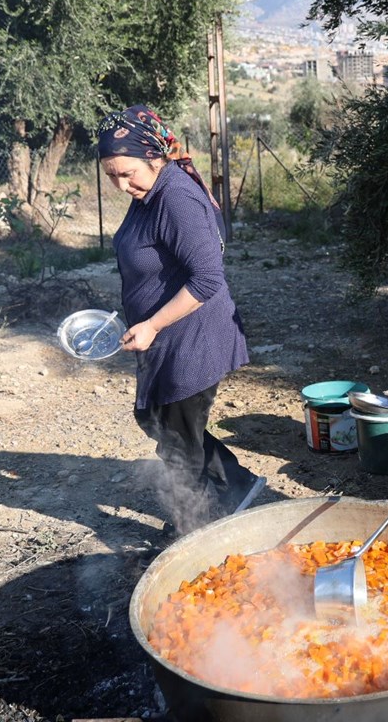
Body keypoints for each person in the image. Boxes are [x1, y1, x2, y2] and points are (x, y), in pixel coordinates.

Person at [97, 105, 264, 536]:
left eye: (127, 172)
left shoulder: (176, 197)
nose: (121, 184)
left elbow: (207, 279)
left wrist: (152, 323)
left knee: (176, 438)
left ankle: (191, 529)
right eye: (111, 174)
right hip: (164, 338)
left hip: (191, 337)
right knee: (159, 420)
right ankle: (237, 487)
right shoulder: (148, 192)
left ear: (154, 157)